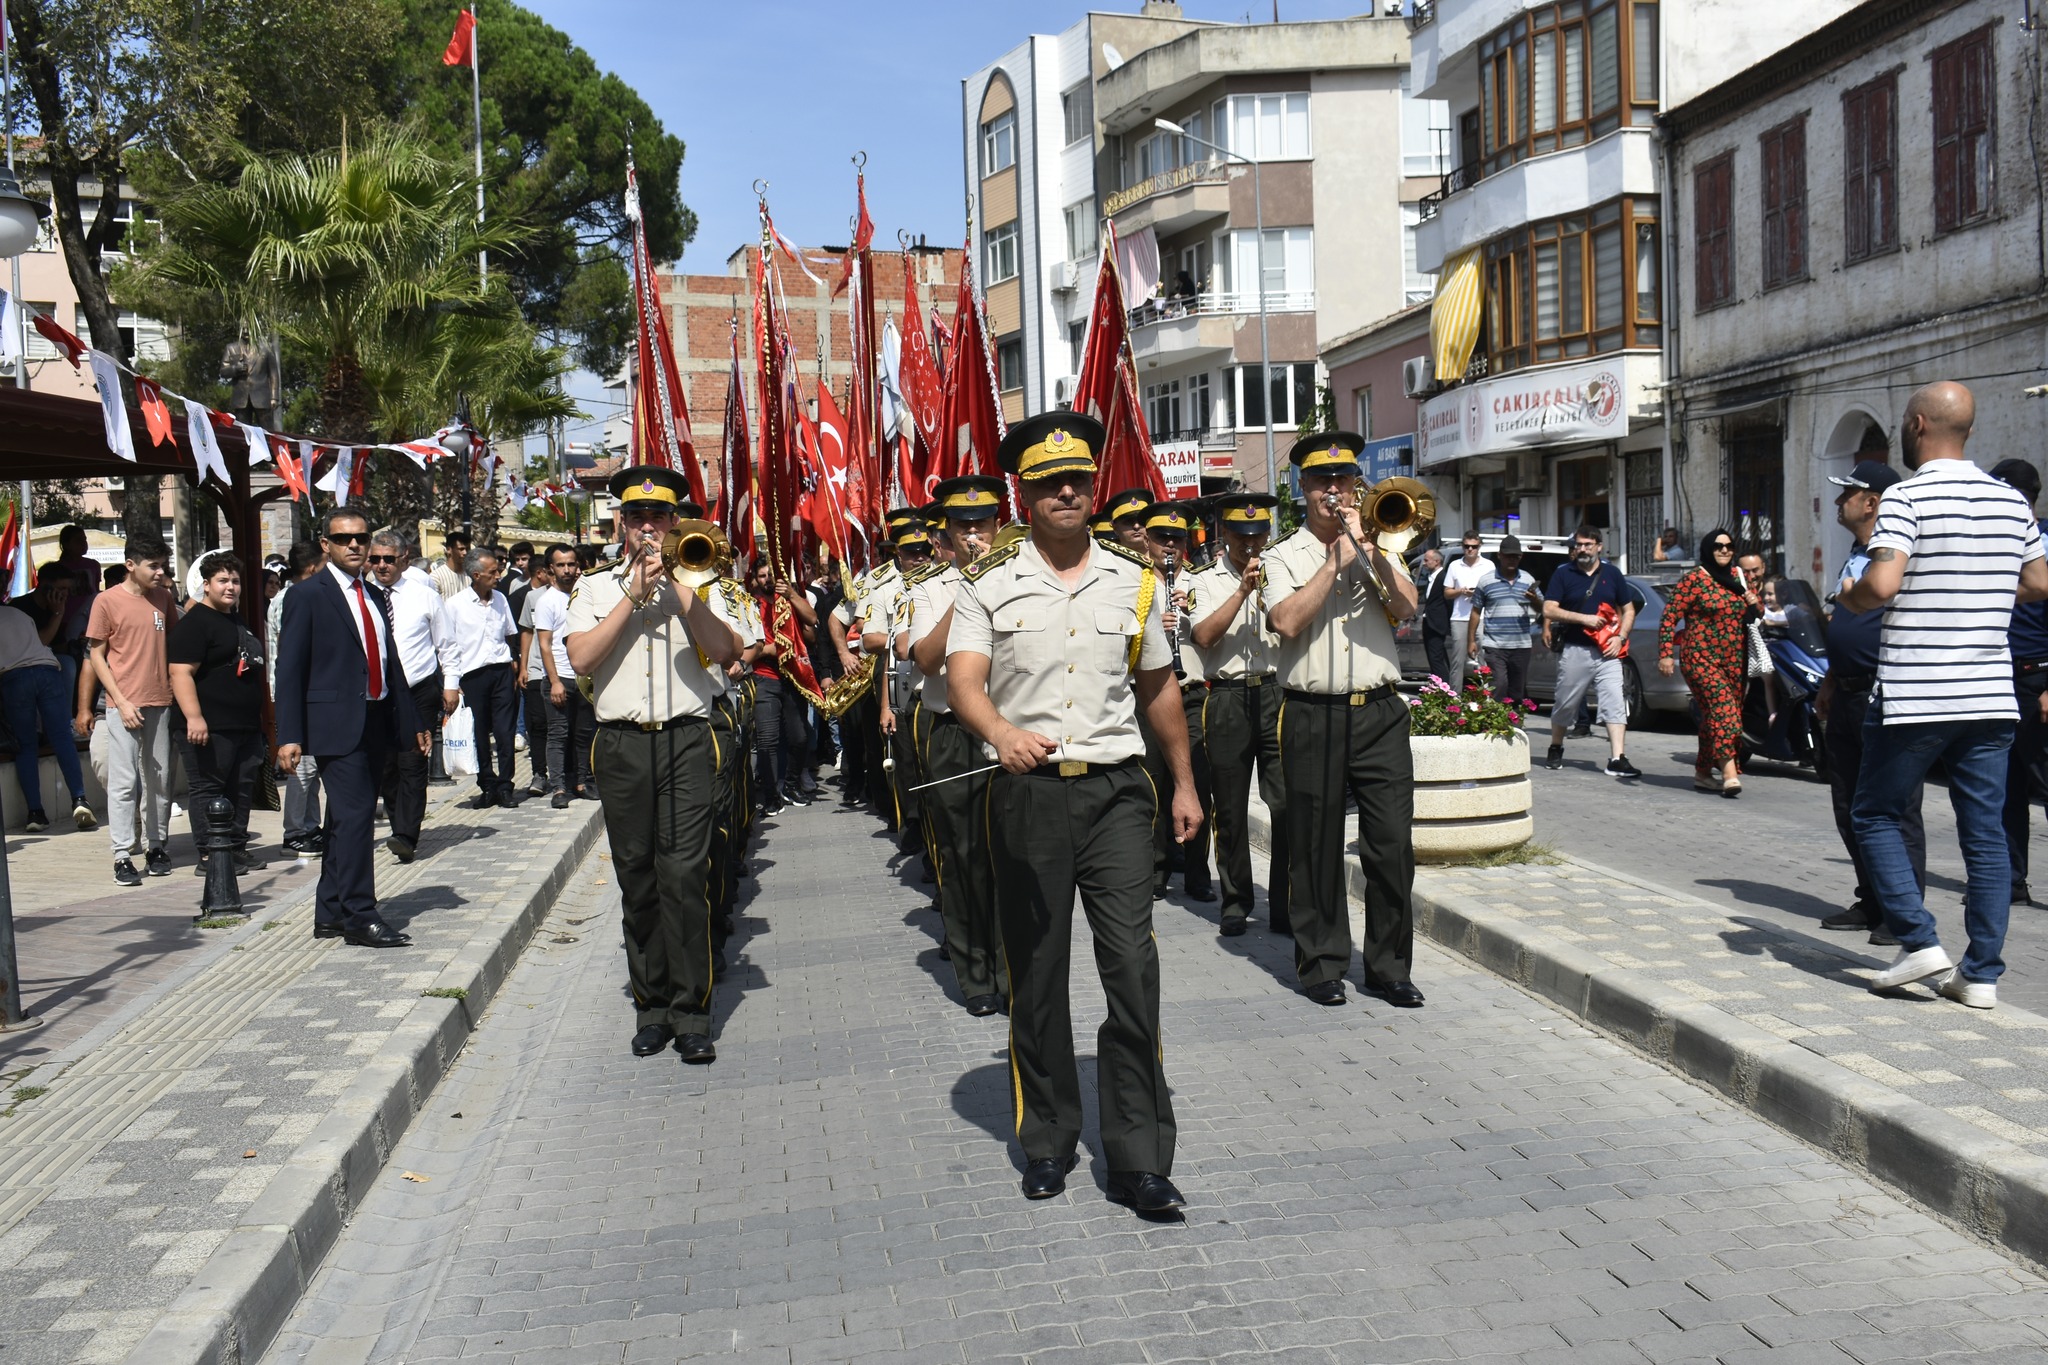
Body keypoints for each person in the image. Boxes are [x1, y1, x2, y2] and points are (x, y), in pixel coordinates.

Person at [947, 412, 1198, 1213]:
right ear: (1022, 493)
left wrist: (1186, 784)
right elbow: (964, 682)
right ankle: (1048, 1138)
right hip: (1029, 793)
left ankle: (1139, 1155)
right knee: (1039, 970)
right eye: (1050, 481)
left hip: (1118, 793)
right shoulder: (987, 583)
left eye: (1079, 480)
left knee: (1132, 965)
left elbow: (1159, 689)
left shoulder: (1135, 580)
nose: (1067, 491)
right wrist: (999, 734)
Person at [1843, 381, 2048, 1011]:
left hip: (1917, 691)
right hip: (1990, 695)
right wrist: (1982, 597)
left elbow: (1881, 584)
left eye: (1906, 423)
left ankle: (1919, 940)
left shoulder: (1906, 496)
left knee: (1874, 814)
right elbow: (2039, 582)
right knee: (1985, 836)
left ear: (1919, 423)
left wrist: (1846, 599)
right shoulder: (2011, 503)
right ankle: (1980, 974)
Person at [563, 466, 742, 1063]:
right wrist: (633, 597)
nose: (647, 528)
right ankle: (652, 1006)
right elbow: (583, 659)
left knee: (685, 875)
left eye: (658, 519)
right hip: (621, 744)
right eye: (637, 518)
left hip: (689, 738)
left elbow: (727, 653)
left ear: (673, 524)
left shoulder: (701, 579)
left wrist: (682, 592)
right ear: (621, 523)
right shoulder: (592, 586)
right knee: (637, 876)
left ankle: (692, 1013)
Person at [1265, 431, 1425, 1010]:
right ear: (1302, 488)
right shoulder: (1282, 554)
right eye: (1320, 482)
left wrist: (1369, 548)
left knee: (1391, 846)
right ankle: (1323, 962)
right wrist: (1335, 560)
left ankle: (1389, 968)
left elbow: (1406, 608)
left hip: (1380, 710)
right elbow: (1286, 620)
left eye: (1344, 480)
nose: (1334, 491)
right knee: (1315, 844)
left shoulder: (1381, 543)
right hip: (1313, 711)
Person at [274, 509, 429, 949]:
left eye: (361, 537)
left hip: (376, 720)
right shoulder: (307, 596)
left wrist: (412, 721)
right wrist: (289, 734)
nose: (355, 546)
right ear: (326, 544)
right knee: (359, 816)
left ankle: (330, 912)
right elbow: (290, 670)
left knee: (344, 820)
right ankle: (361, 914)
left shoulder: (376, 594)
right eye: (344, 540)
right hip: (333, 726)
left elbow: (390, 664)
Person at [901, 474, 1011, 1016]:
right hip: (954, 735)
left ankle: (1013, 970)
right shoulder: (927, 589)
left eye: (983, 524)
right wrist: (968, 584)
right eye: (963, 527)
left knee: (1013, 858)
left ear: (998, 524)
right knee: (963, 858)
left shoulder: (1021, 575)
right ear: (947, 534)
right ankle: (976, 977)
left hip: (1011, 736)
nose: (975, 534)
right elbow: (924, 660)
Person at [1816, 460, 1915, 944]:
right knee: (1849, 804)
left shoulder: (1896, 553)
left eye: (1847, 494)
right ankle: (1872, 898)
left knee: (1895, 807)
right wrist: (1832, 681)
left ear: (1872, 501)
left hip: (1885, 689)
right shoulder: (1857, 553)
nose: (1839, 502)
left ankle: (1902, 913)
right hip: (1848, 691)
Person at [1187, 491, 1287, 938]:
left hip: (1274, 692)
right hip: (1226, 696)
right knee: (1228, 808)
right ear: (1225, 535)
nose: (1252, 544)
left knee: (1286, 804)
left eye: (1259, 535)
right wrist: (1242, 590)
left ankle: (1285, 903)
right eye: (1242, 536)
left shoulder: (1280, 571)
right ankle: (1235, 900)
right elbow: (1204, 636)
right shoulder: (1204, 579)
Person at [1131, 500, 1215, 903]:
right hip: (1148, 697)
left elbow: (1217, 637)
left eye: (1177, 538)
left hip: (1193, 693)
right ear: (1146, 539)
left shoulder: (1203, 581)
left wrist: (1190, 620)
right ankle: (1155, 870)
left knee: (1196, 783)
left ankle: (1198, 874)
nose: (1169, 545)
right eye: (1162, 537)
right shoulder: (1133, 582)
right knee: (1153, 785)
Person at [168, 551, 267, 881]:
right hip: (209, 726)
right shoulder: (194, 624)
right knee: (208, 788)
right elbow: (180, 673)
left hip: (244, 725)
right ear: (206, 585)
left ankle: (235, 847)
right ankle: (211, 854)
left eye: (235, 581)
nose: (231, 587)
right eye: (223, 581)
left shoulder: (236, 620)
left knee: (241, 787)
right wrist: (194, 717)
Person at [86, 535, 179, 885]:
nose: (160, 572)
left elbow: (174, 644)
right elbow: (96, 655)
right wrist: (120, 701)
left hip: (160, 701)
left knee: (158, 779)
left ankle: (156, 845)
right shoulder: (106, 601)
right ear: (131, 565)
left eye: (162, 565)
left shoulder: (164, 598)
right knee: (124, 783)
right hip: (121, 704)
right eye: (153, 566)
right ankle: (123, 854)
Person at [1656, 531, 1759, 795]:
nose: (1724, 550)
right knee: (1726, 714)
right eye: (1718, 546)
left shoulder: (1740, 577)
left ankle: (1703, 773)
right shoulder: (1694, 579)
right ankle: (1729, 774)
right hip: (1701, 659)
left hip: (1735, 660)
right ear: (1707, 549)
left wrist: (1754, 604)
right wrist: (1666, 654)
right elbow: (1669, 617)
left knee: (1714, 718)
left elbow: (1755, 616)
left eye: (1729, 546)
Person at [371, 531, 449, 863]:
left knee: (413, 759)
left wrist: (452, 685)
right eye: (375, 559)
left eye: (389, 559)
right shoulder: (363, 596)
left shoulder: (424, 596)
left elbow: (446, 644)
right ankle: (398, 822)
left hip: (418, 688)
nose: (381, 565)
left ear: (404, 558)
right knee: (387, 764)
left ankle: (406, 833)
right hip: (380, 692)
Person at [1542, 526, 1639, 778]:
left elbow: (1628, 609)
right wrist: (1583, 618)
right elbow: (1549, 609)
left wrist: (1621, 637)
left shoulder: (1613, 574)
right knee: (1565, 703)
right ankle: (1556, 746)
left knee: (1615, 702)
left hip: (1608, 651)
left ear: (1599, 546)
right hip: (1576, 650)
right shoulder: (1564, 574)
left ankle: (1617, 758)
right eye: (1578, 545)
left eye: (1587, 544)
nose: (1582, 549)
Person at [1995, 458, 2048, 905]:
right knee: (2005, 785)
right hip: (1998, 676)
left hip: (2038, 677)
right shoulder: (1995, 543)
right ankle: (2011, 881)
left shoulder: (2044, 543)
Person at [0, 598, 92, 835]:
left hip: (14, 678)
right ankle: (80, 800)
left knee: (26, 745)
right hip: (47, 670)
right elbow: (41, 641)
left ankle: (35, 813)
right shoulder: (18, 614)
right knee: (61, 737)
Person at [442, 548, 521, 810]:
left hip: (500, 671)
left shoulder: (500, 599)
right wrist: (452, 682)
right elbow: (447, 645)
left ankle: (506, 784)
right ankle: (487, 784)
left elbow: (510, 633)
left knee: (504, 730)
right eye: (493, 572)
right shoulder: (454, 605)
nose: (498, 575)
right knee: (478, 733)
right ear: (476, 575)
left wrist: (514, 663)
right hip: (472, 675)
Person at [267, 541, 327, 858]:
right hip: (295, 694)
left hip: (308, 693)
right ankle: (294, 831)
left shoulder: (301, 595)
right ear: (312, 568)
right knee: (300, 768)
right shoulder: (291, 597)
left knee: (313, 767)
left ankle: (310, 826)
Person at [532, 544, 593, 808]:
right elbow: (545, 644)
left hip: (584, 678)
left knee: (584, 734)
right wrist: (554, 680)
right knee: (558, 734)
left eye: (571, 564)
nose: (567, 570)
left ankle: (581, 782)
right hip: (559, 678)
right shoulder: (547, 601)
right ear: (550, 570)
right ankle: (558, 787)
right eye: (561, 565)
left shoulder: (583, 595)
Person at [1464, 533, 1541, 707]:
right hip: (1495, 645)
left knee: (1517, 691)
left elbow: (1541, 610)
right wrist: (1471, 641)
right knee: (1499, 685)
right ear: (1500, 556)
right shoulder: (1486, 581)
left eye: (1515, 556)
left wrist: (1535, 599)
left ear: (1520, 557)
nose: (1511, 560)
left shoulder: (1528, 580)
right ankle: (1495, 725)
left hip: (1521, 645)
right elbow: (1476, 611)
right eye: (1508, 556)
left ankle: (1514, 727)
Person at [515, 557, 555, 798]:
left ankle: (572, 775)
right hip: (537, 671)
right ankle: (539, 773)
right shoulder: (533, 597)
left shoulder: (580, 593)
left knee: (565, 727)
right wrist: (524, 666)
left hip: (567, 670)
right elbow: (526, 632)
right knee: (538, 725)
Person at [1441, 532, 1490, 695]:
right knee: (1457, 660)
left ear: (1479, 547)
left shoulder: (1489, 565)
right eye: (1467, 546)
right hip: (1459, 617)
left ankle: (1487, 695)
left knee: (1485, 657)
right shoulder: (1455, 565)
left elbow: (1493, 590)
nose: (1470, 549)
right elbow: (1447, 593)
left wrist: (1478, 593)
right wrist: (1461, 591)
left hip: (1482, 616)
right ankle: (1455, 697)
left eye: (1474, 546)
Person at [1417, 547, 1452, 683]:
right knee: (1434, 657)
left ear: (1437, 561)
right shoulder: (1430, 578)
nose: (1424, 563)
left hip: (1437, 624)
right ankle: (1437, 685)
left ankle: (1443, 687)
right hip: (1429, 623)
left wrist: (1447, 623)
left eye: (1426, 560)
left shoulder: (1443, 577)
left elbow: (1448, 602)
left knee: (1436, 658)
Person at [430, 530, 471, 600]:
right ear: (449, 550)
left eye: (467, 549)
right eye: (461, 549)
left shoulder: (472, 575)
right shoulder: (436, 577)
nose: (465, 553)